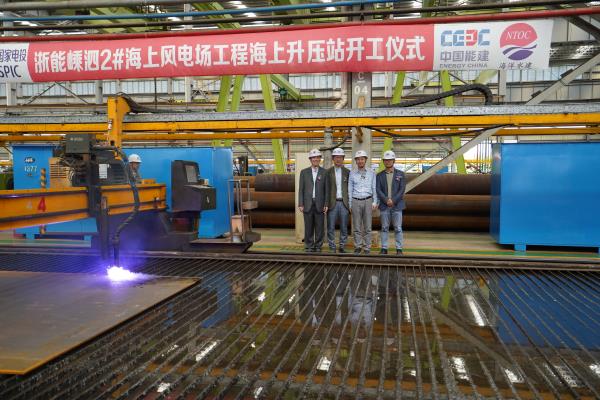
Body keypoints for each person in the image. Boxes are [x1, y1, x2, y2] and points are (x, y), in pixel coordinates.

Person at [376, 150, 406, 255]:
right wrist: (386, 200)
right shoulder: (379, 176)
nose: (388, 162)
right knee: (384, 228)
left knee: (398, 228)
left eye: (390, 160)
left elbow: (402, 189)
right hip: (384, 206)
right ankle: (384, 248)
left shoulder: (400, 174)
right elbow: (378, 189)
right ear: (383, 161)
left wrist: (393, 200)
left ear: (394, 161)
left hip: (397, 205)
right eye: (386, 160)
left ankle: (399, 249)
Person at [298, 148, 328, 252]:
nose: (315, 159)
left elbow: (327, 190)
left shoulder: (324, 172)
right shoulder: (304, 172)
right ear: (310, 159)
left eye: (317, 157)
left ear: (320, 159)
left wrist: (326, 204)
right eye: (313, 157)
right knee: (308, 226)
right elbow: (301, 189)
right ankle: (309, 245)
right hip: (307, 203)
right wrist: (300, 203)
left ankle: (318, 245)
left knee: (320, 227)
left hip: (320, 204)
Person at [348, 150, 378, 254]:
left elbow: (374, 187)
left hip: (368, 200)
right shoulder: (352, 173)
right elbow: (350, 189)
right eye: (358, 159)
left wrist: (375, 201)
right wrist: (350, 204)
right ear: (356, 161)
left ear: (365, 160)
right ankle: (358, 246)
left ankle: (367, 247)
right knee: (357, 227)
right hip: (355, 201)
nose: (360, 161)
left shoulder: (371, 173)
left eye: (362, 159)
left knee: (368, 227)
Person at [325, 148, 350, 253]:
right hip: (332, 203)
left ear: (343, 158)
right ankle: (332, 246)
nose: (338, 159)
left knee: (344, 227)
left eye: (340, 157)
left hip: (344, 203)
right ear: (333, 159)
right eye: (336, 157)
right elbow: (326, 189)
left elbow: (350, 188)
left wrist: (350, 204)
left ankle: (342, 246)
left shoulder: (348, 172)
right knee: (330, 226)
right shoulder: (328, 172)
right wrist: (326, 203)